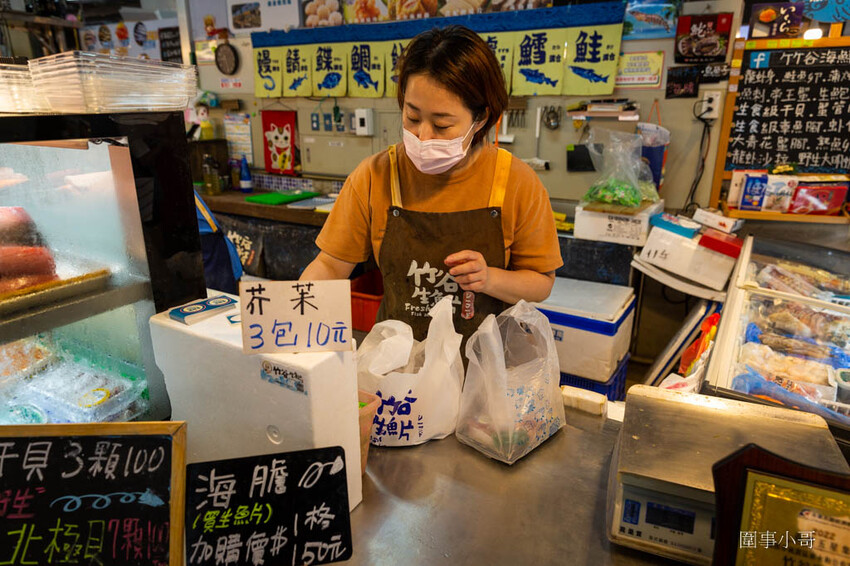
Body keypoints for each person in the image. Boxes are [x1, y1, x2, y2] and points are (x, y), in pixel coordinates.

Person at [301, 25, 562, 340]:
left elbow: (541, 282)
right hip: (396, 367)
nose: (423, 136)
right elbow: (329, 266)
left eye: (442, 124)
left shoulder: (517, 182)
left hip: (481, 368)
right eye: (412, 118)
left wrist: (489, 279)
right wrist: (294, 321)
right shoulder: (375, 175)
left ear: (480, 119)